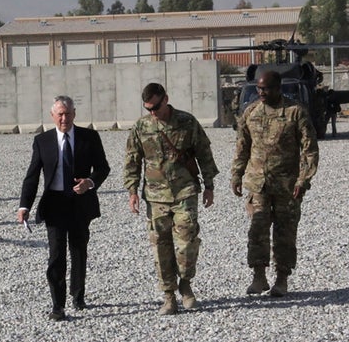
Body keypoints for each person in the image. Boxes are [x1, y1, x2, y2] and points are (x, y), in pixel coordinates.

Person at [124, 83, 219, 315]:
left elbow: (204, 153)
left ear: (166, 99)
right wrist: (132, 191)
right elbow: (132, 160)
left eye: (156, 106)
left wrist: (209, 186)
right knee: (161, 246)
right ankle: (168, 295)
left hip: (184, 191)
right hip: (155, 196)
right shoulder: (141, 126)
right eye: (148, 108)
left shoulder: (187, 122)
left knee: (187, 240)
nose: (153, 112)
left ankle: (186, 284)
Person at [18, 96, 110, 321]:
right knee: (56, 254)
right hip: (55, 204)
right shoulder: (43, 141)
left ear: (74, 114)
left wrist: (89, 182)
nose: (64, 118)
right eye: (59, 114)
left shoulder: (89, 137)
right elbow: (32, 176)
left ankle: (78, 294)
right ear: (52, 116)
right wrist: (24, 206)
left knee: (78, 251)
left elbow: (103, 168)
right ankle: (57, 305)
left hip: (80, 203)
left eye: (68, 113)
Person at [230, 71, 319, 297]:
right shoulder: (251, 113)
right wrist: (236, 175)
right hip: (258, 183)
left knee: (285, 232)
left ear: (278, 88)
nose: (261, 93)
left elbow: (309, 150)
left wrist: (303, 180)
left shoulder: (295, 113)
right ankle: (259, 277)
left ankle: (282, 278)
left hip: (287, 185)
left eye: (266, 89)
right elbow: (242, 148)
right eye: (259, 89)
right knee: (257, 230)